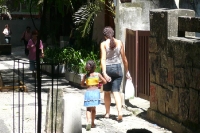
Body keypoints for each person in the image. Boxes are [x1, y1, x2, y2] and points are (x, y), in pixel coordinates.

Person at [100, 26, 131, 122]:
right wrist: (127, 71)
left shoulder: (103, 44)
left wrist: (104, 72)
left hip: (108, 69)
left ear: (105, 36)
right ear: (113, 34)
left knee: (107, 92)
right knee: (116, 92)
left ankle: (107, 113)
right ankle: (119, 112)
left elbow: (103, 59)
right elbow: (124, 59)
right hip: (118, 69)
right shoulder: (120, 43)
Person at [81, 60, 107, 131]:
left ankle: (88, 121)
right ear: (95, 67)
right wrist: (98, 84)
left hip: (89, 93)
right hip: (96, 93)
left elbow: (82, 84)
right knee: (94, 109)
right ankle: (92, 123)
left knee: (88, 109)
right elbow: (105, 81)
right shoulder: (98, 74)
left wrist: (87, 84)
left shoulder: (86, 76)